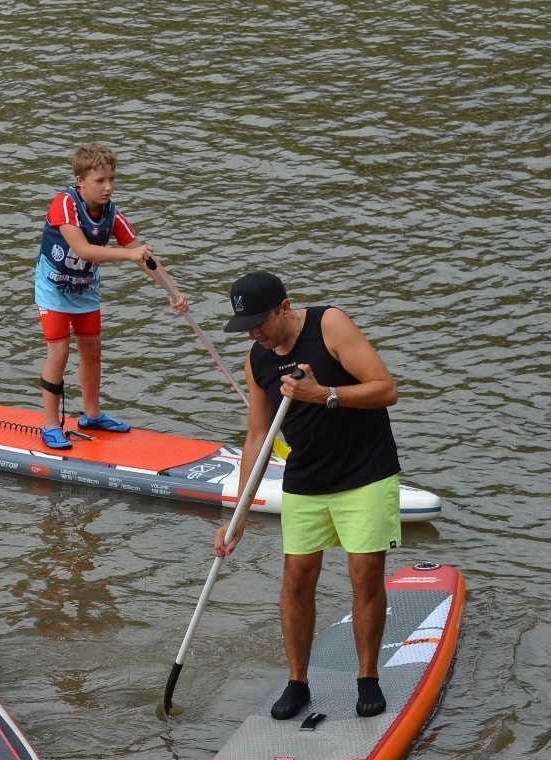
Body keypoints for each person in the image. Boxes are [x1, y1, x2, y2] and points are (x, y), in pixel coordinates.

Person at [213, 272, 402, 720]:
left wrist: (324, 395)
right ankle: (297, 682)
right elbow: (257, 438)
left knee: (364, 575)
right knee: (297, 579)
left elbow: (386, 389)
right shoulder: (257, 360)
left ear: (284, 307)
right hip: (306, 478)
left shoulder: (329, 324)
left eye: (260, 322)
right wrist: (238, 513)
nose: (255, 334)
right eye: (246, 327)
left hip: (365, 472)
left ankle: (367, 678)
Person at [33, 142, 187, 450]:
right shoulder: (64, 205)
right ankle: (50, 425)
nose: (108, 187)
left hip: (85, 289)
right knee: (59, 354)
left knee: (92, 351)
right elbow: (84, 250)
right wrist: (129, 255)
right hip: (53, 290)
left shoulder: (112, 214)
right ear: (80, 181)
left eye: (112, 179)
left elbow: (142, 255)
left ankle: (91, 415)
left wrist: (173, 291)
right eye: (100, 181)